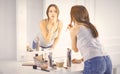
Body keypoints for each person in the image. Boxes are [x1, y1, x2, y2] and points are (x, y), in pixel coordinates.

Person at [68, 5, 112, 74]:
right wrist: (81, 60)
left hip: (94, 62)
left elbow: (75, 49)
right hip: (107, 60)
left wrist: (71, 32)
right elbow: (93, 47)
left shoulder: (74, 29)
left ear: (73, 16)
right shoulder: (92, 26)